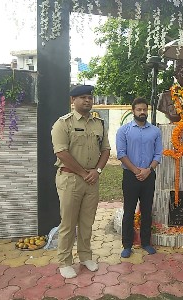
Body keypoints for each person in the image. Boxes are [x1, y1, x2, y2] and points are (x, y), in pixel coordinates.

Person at [51, 85, 111, 279]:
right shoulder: (63, 124)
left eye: (89, 97)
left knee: (87, 222)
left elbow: (106, 150)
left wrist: (97, 170)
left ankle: (85, 256)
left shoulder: (99, 123)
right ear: (73, 101)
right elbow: (61, 152)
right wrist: (83, 172)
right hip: (70, 179)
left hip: (91, 180)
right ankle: (65, 261)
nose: (87, 100)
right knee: (68, 223)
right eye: (83, 97)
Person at [116, 97, 162, 258]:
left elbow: (158, 154)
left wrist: (148, 170)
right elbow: (121, 154)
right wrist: (136, 171)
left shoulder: (155, 131)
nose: (142, 112)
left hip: (149, 175)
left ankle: (146, 242)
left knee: (147, 210)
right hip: (130, 176)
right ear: (133, 111)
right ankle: (127, 245)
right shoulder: (124, 131)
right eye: (139, 109)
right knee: (129, 211)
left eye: (144, 109)